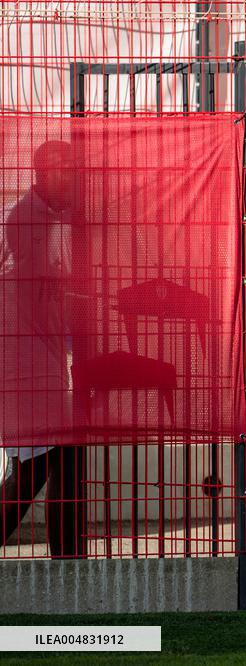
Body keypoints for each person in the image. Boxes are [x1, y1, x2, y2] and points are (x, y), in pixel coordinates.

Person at [0, 140, 86, 558]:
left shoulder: (68, 221)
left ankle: (69, 561)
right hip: (22, 364)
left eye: (75, 168)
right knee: (40, 465)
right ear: (40, 173)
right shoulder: (13, 220)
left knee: (66, 458)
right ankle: (68, 559)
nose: (72, 177)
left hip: (57, 360)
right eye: (62, 169)